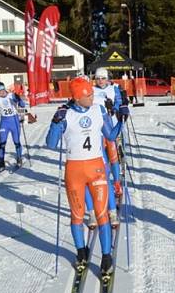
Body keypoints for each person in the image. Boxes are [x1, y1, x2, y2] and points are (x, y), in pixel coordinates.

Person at [45, 77, 128, 278]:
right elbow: (50, 144)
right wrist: (56, 122)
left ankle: (106, 257)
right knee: (77, 215)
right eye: (88, 94)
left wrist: (122, 119)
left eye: (92, 93)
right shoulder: (66, 114)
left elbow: (110, 136)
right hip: (74, 171)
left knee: (102, 215)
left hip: (97, 168)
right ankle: (81, 252)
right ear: (77, 97)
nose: (93, 96)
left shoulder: (98, 110)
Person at [91, 68, 127, 228]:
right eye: (98, 78)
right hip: (96, 130)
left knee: (113, 156)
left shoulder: (114, 89)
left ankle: (117, 182)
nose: (100, 81)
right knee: (103, 159)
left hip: (112, 126)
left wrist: (117, 109)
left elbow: (120, 105)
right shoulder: (91, 90)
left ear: (107, 78)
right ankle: (105, 183)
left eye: (103, 78)